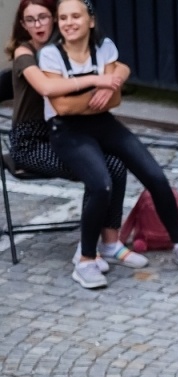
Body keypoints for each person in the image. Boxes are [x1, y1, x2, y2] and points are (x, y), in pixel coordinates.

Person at [31, 0, 178, 288]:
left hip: (103, 123)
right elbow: (62, 107)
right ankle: (84, 261)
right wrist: (97, 88)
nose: (68, 23)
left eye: (75, 16)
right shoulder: (50, 55)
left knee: (155, 176)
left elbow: (114, 97)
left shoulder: (104, 47)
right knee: (100, 184)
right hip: (66, 131)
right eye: (63, 18)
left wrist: (109, 84)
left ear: (90, 21)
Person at [6, 0, 127, 268]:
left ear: (54, 19)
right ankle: (86, 250)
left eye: (43, 17)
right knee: (96, 172)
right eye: (30, 20)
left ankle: (110, 242)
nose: (38, 25)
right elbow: (47, 87)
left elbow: (117, 63)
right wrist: (97, 81)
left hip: (64, 135)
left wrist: (116, 76)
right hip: (30, 143)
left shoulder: (66, 49)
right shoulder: (24, 54)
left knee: (117, 165)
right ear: (23, 25)